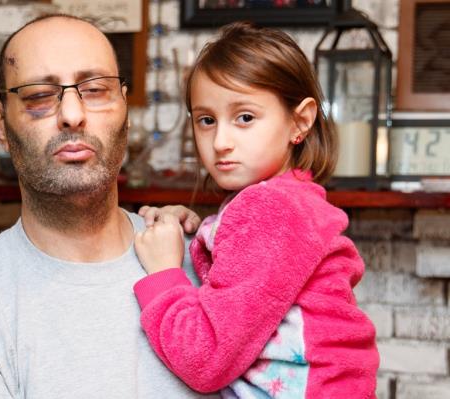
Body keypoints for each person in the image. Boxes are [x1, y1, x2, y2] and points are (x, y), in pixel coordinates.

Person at [0, 14, 216, 399]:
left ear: (125, 108)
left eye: (96, 90)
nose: (72, 114)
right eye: (38, 95)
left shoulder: (208, 263)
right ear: (0, 123)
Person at [133, 22, 379, 398]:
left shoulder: (270, 209)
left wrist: (165, 272)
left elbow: (208, 359)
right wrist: (202, 229)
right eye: (206, 120)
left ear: (300, 120)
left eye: (244, 117)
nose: (221, 141)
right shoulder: (289, 200)